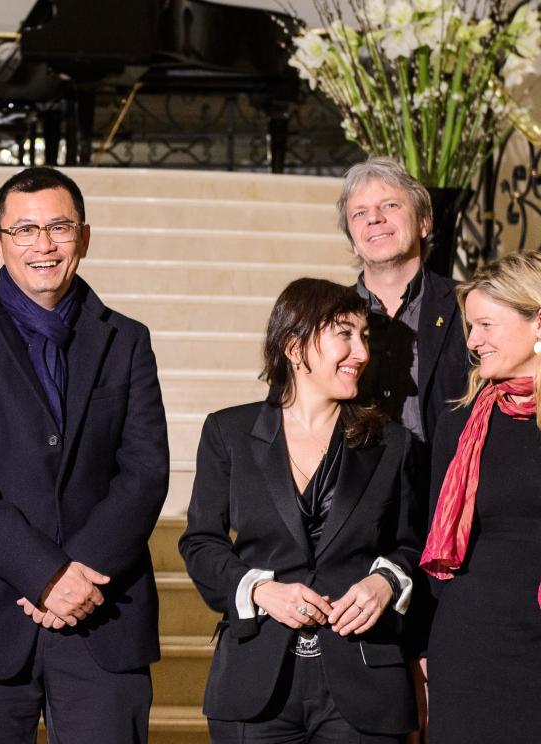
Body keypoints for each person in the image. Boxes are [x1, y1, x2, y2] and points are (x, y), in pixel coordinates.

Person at [0, 166, 170, 743]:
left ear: (84, 236)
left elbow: (145, 470)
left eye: (58, 227)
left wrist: (78, 576)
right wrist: (46, 574)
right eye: (24, 230)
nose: (43, 245)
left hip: (103, 609)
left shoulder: (127, 339)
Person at [180, 278, 421, 743]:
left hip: (364, 681)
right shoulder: (228, 432)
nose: (361, 352)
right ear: (294, 347)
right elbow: (201, 543)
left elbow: (411, 545)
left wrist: (385, 582)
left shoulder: (393, 443)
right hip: (255, 684)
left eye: (364, 336)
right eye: (344, 335)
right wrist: (259, 592)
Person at [421, 251, 541, 743]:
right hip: (469, 653)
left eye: (486, 325)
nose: (473, 342)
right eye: (471, 327)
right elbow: (434, 552)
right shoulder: (458, 425)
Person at [337, 157, 468, 447]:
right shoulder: (327, 314)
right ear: (352, 240)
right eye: (359, 213)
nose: (374, 218)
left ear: (424, 222)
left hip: (441, 485)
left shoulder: (468, 306)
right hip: (354, 486)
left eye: (390, 205)